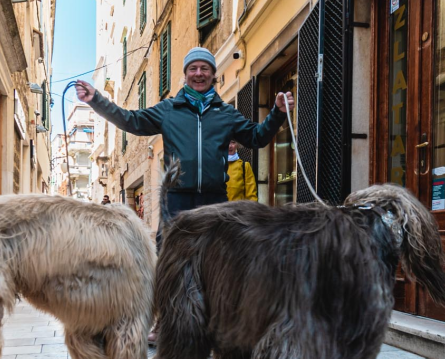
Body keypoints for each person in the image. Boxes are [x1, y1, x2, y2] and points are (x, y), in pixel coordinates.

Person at [74, 47, 293, 240]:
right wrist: (96, 100)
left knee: (215, 262)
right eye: (193, 68)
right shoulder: (168, 110)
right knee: (171, 263)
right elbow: (131, 120)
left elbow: (257, 137)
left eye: (205, 68)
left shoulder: (226, 113)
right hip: (176, 201)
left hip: (215, 201)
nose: (199, 73)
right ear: (186, 74)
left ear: (213, 74)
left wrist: (277, 114)